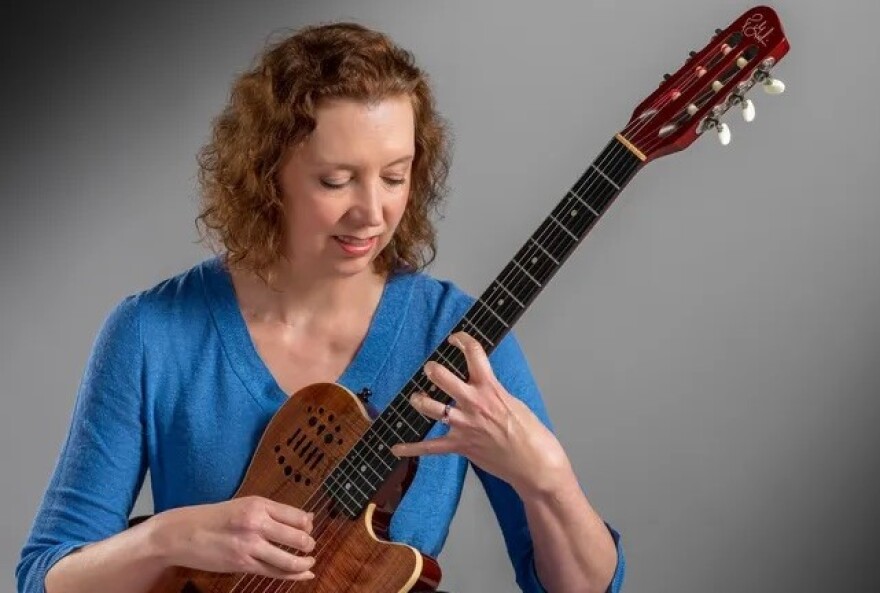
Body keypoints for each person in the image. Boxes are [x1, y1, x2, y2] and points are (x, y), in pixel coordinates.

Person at [16, 22, 624, 593]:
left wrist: (547, 480)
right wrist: (167, 537)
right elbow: (45, 575)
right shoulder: (152, 334)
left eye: (395, 176)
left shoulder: (458, 336)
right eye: (336, 181)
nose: (373, 213)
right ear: (266, 173)